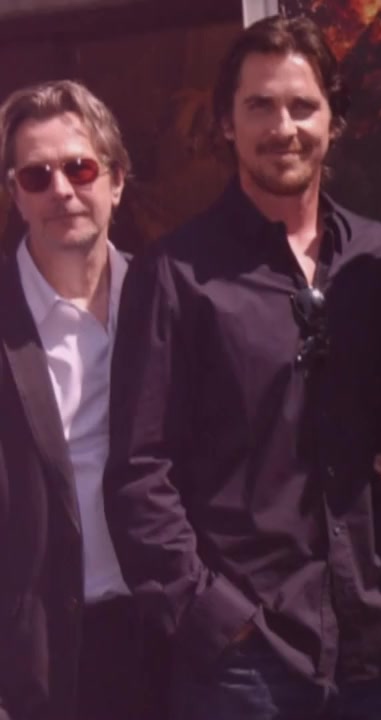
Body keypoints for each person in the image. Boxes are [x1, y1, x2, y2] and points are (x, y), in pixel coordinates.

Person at [103, 16, 381, 719]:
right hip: (245, 666)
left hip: (376, 646)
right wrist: (210, 614)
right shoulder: (175, 275)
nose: (284, 127)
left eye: (303, 105)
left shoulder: (380, 258)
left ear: (334, 119)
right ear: (226, 122)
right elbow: (138, 471)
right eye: (260, 106)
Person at [0, 79, 163, 720]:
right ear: (15, 195)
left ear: (117, 180)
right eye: (36, 176)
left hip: (169, 640)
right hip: (36, 664)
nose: (61, 190)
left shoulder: (169, 300)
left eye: (81, 168)